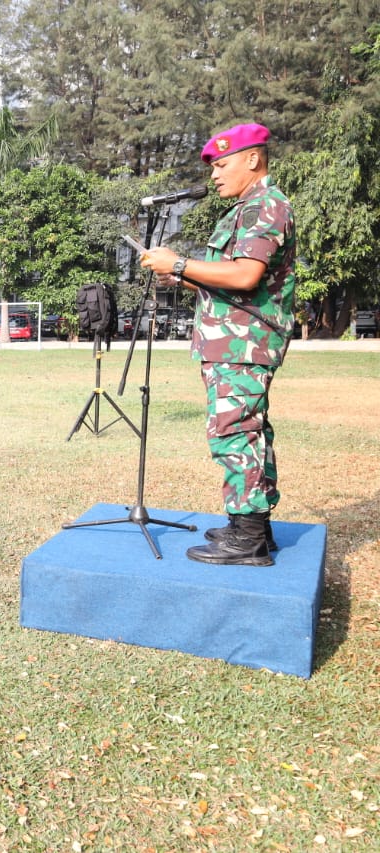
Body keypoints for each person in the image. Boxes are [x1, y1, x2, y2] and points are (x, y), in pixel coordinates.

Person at [139, 122, 295, 567]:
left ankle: (247, 541)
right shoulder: (246, 208)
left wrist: (182, 261)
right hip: (233, 341)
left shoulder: (266, 205)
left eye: (222, 164)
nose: (214, 174)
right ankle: (253, 528)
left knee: (234, 432)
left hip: (242, 345)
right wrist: (183, 274)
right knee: (248, 431)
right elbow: (232, 283)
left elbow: (245, 275)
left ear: (252, 158)